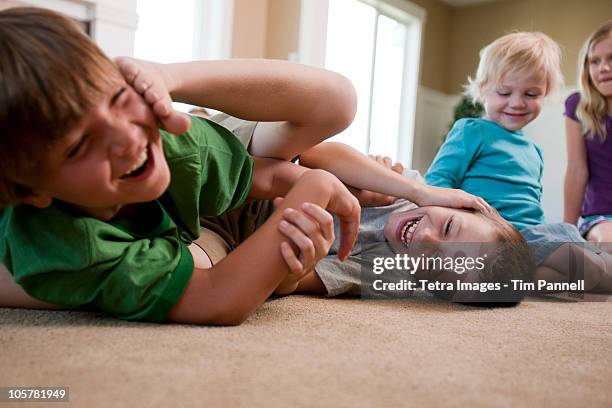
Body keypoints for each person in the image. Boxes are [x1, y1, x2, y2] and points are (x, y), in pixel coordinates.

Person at [0, 7, 488, 324]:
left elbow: (265, 188)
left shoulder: (175, 147)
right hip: (62, 239)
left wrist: (305, 199)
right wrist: (353, 186)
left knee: (194, 265)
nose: (128, 140)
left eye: (117, 98)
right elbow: (220, 299)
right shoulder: (68, 241)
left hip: (214, 223)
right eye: (79, 144)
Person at [423, 31, 612, 292]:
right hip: (493, 232)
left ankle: (519, 279)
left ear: (546, 94)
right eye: (504, 92)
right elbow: (436, 181)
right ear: (481, 89)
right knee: (587, 266)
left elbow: (531, 204)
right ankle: (517, 276)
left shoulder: (534, 150)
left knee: (591, 264)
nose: (517, 103)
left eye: (531, 94)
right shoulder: (471, 131)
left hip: (529, 233)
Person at [564, 21, 612, 244]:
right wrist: (566, 233)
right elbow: (576, 170)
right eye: (595, 61)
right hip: (601, 217)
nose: (603, 67)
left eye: (611, 59)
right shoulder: (577, 106)